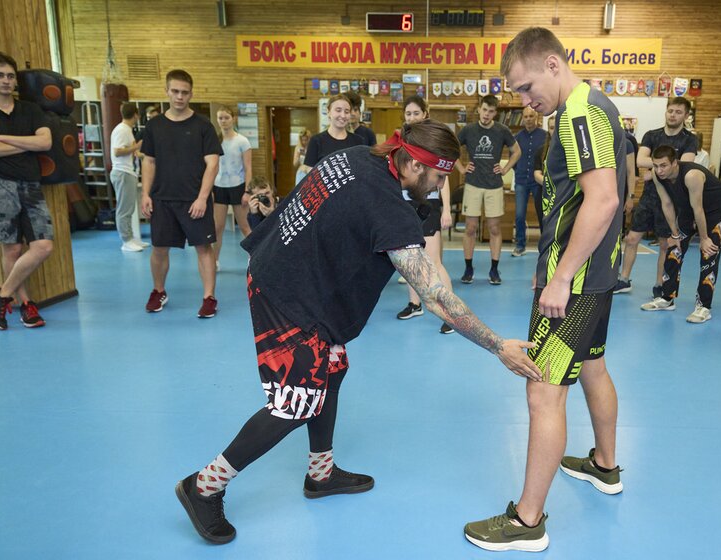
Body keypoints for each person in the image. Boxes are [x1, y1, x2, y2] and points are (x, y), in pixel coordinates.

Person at [174, 119, 542, 545]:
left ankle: (321, 473)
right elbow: (437, 298)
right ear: (414, 164)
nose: (442, 188)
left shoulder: (358, 157)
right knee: (295, 403)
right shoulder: (385, 206)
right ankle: (204, 485)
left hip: (288, 268)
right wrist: (498, 346)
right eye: (439, 178)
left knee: (332, 366)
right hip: (287, 292)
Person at [464, 27, 626, 553]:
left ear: (553, 64)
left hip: (572, 279)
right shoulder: (593, 105)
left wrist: (559, 278)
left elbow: (602, 201)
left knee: (542, 390)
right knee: (594, 366)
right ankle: (605, 466)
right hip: (596, 275)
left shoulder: (580, 111)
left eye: (527, 86)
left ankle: (528, 521)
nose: (525, 100)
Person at [140, 69, 222, 318]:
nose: (179, 97)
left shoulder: (203, 126)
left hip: (193, 199)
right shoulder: (154, 126)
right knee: (159, 248)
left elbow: (213, 163)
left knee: (203, 248)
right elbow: (149, 162)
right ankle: (158, 291)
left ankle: (209, 297)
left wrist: (201, 198)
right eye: (175, 91)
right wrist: (145, 194)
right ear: (167, 91)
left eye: (184, 92)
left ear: (191, 94)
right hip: (162, 199)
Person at [614, 97, 697, 296]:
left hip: (671, 198)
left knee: (663, 243)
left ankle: (659, 285)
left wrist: (655, 170)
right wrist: (662, 167)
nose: (673, 115)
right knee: (632, 238)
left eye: (678, 112)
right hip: (648, 197)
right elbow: (641, 160)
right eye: (670, 111)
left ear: (686, 116)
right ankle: (624, 279)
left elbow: (685, 165)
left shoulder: (689, 140)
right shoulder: (652, 135)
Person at [641, 146, 721, 323]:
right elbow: (667, 204)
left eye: (664, 165)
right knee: (674, 248)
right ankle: (667, 298)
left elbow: (699, 210)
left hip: (715, 210)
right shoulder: (658, 176)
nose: (659, 170)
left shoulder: (691, 175)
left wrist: (704, 239)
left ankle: (703, 306)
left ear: (675, 163)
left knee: (709, 252)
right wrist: (674, 234)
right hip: (689, 209)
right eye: (656, 165)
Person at [0, 51, 53, 330]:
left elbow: (45, 143)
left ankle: (2, 295)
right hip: (1, 186)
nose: (6, 81)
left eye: (10, 76)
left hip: (31, 185)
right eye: (0, 75)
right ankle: (25, 306)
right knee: (12, 249)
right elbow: (34, 142)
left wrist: (4, 138)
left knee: (43, 246)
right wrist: (26, 142)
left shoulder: (30, 109)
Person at [394, 96, 456, 334]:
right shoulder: (403, 141)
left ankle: (451, 312)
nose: (411, 118)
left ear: (425, 113)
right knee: (409, 260)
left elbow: (444, 177)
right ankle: (414, 304)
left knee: (433, 262)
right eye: (408, 114)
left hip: (428, 204)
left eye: (416, 113)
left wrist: (446, 209)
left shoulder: (431, 140)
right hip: (406, 204)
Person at [457, 95, 521, 285]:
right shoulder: (468, 130)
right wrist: (461, 168)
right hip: (473, 184)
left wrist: (506, 168)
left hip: (494, 185)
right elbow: (449, 148)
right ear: (479, 109)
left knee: (494, 228)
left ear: (495, 113)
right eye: (484, 110)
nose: (486, 114)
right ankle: (468, 268)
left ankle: (494, 269)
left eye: (491, 111)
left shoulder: (502, 130)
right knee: (470, 228)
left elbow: (517, 151)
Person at [212, 106, 252, 270]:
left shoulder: (242, 141)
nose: (223, 121)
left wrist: (247, 191)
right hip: (219, 187)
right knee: (217, 227)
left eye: (226, 117)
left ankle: (256, 256)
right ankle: (214, 261)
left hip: (238, 187)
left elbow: (248, 167)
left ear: (233, 119)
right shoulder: (215, 140)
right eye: (220, 118)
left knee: (244, 226)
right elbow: (211, 166)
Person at [110, 102, 146, 252]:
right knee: (124, 209)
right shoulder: (122, 130)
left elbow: (132, 152)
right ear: (136, 115)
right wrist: (136, 146)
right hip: (122, 172)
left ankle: (131, 238)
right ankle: (126, 240)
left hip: (129, 172)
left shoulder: (127, 130)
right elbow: (118, 151)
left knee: (129, 208)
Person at [511, 106, 547, 257]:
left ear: (536, 117)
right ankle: (520, 245)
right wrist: (518, 170)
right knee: (519, 214)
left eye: (531, 116)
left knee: (542, 214)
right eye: (525, 117)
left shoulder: (545, 136)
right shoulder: (517, 137)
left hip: (538, 182)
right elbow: (512, 157)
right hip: (521, 181)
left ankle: (545, 245)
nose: (528, 119)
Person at [300, 94, 363, 175]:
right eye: (338, 110)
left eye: (346, 112)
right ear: (328, 112)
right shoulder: (316, 141)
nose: (343, 115)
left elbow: (362, 170)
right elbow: (310, 172)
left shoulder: (358, 141)